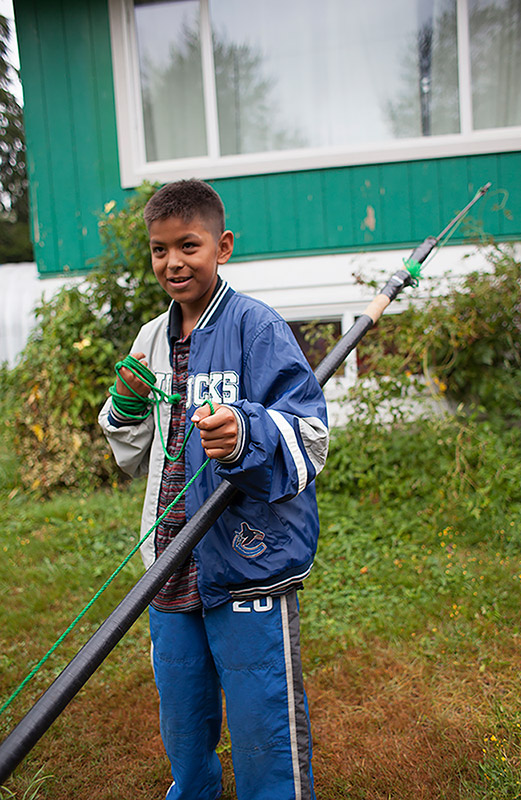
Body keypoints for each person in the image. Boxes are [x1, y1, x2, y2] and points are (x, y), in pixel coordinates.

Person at [99, 179, 328, 800]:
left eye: (188, 246)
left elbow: (309, 432)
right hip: (170, 562)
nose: (172, 262)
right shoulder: (150, 338)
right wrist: (123, 409)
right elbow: (131, 452)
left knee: (263, 721)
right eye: (158, 249)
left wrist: (245, 433)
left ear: (221, 246)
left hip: (245, 559)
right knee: (183, 715)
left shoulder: (258, 327)